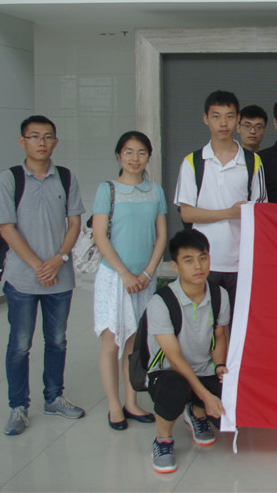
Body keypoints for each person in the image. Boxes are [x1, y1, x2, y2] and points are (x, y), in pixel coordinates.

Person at [0, 115, 86, 435]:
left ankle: (54, 398)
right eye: (34, 136)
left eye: (47, 136)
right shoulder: (10, 179)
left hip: (60, 277)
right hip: (22, 278)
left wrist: (58, 259)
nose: (41, 142)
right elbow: (7, 228)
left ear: (56, 142)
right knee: (20, 344)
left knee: (57, 341)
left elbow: (75, 223)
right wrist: (37, 265)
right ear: (22, 141)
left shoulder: (66, 178)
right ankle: (18, 406)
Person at [92, 131, 168, 430]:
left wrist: (148, 273)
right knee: (112, 342)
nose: (135, 158)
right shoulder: (107, 190)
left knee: (134, 344)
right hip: (114, 278)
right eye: (128, 152)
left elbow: (161, 236)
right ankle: (114, 405)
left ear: (148, 156)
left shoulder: (155, 191)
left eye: (141, 152)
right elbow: (100, 236)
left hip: (144, 279)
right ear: (119, 155)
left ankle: (131, 402)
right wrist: (124, 273)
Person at [147, 229, 230, 474]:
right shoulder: (161, 302)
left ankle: (195, 412)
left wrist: (219, 367)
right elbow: (174, 358)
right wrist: (206, 395)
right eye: (189, 260)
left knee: (232, 408)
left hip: (203, 368)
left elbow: (219, 336)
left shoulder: (219, 295)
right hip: (167, 372)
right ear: (175, 265)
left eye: (203, 258)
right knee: (176, 388)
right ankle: (163, 440)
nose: (198, 266)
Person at [175, 91, 266, 310]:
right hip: (203, 262)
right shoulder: (192, 162)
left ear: (237, 120)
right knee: (206, 322)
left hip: (241, 262)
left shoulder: (252, 161)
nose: (223, 123)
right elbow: (187, 213)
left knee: (237, 322)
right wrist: (228, 213)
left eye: (229, 116)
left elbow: (261, 212)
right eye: (216, 116)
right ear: (205, 119)